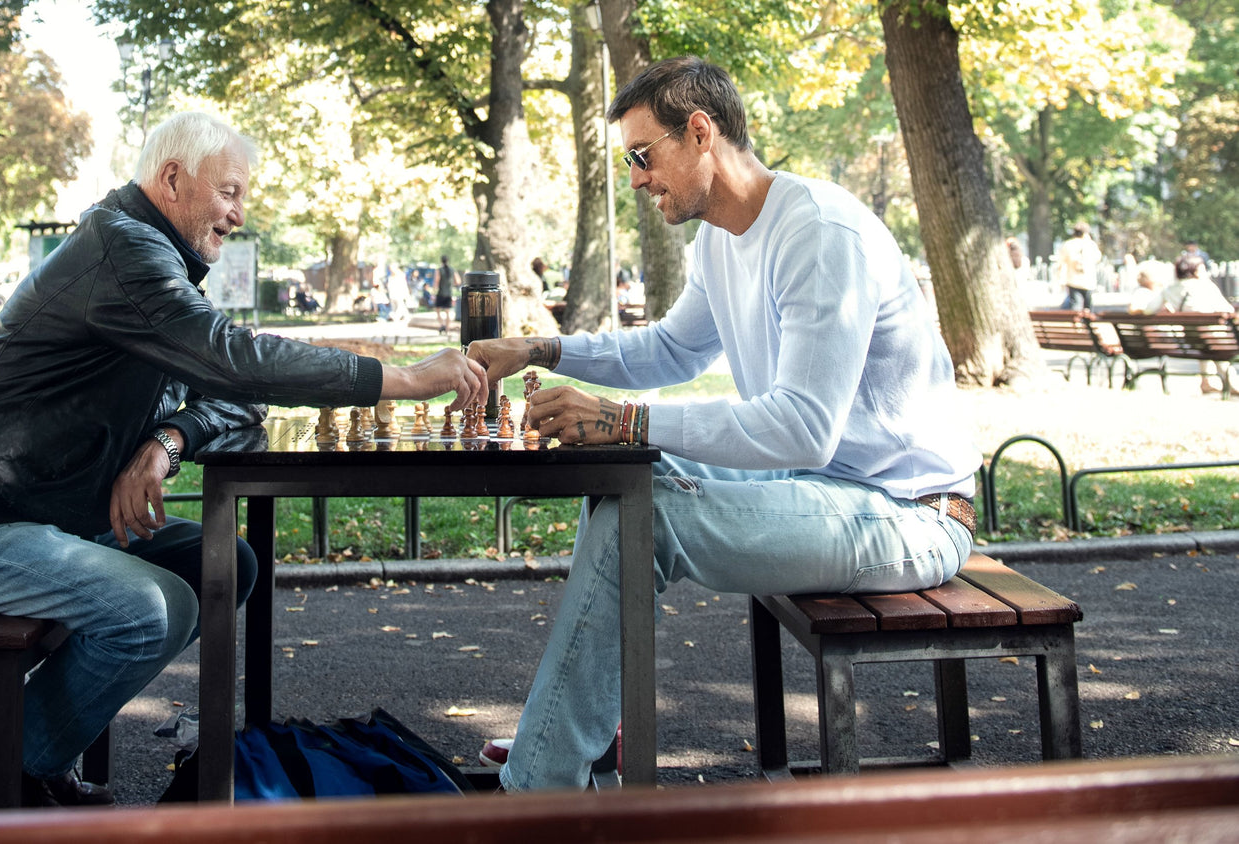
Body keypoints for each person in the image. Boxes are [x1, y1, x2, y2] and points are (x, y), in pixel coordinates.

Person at [0, 112, 486, 810]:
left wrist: (166, 443)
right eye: (228, 191)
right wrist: (399, 377)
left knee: (226, 564)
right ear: (172, 179)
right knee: (146, 609)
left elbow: (234, 399)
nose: (238, 213)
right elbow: (231, 358)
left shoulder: (154, 262)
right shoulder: (124, 253)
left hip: (41, 518)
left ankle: (25, 741)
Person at [467, 56, 980, 792]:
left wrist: (622, 420)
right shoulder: (719, 236)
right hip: (826, 489)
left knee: (648, 517)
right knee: (628, 486)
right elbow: (671, 348)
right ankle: (577, 746)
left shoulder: (821, 233)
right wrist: (541, 349)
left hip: (910, 514)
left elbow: (803, 429)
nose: (637, 179)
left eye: (643, 157)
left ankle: (539, 790)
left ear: (700, 133)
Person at [1162, 252, 1234, 394]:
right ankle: (1231, 383)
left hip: (1191, 339)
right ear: (1195, 270)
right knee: (1213, 338)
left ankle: (1207, 381)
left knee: (1204, 338)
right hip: (1218, 339)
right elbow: (1228, 310)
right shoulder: (1205, 286)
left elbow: (1151, 309)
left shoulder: (1170, 290)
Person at [1056, 222, 1100, 311]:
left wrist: (1061, 279)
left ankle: (1077, 324)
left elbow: (1061, 262)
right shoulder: (1091, 245)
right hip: (1088, 281)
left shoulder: (1068, 245)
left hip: (1073, 280)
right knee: (1088, 308)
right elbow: (1097, 258)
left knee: (1076, 306)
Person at [434, 255, 456, 332]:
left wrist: (434, 291)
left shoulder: (439, 270)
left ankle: (441, 325)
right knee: (447, 312)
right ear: (448, 260)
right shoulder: (452, 270)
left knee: (437, 310)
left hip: (440, 293)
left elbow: (436, 282)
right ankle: (447, 329)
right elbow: (458, 281)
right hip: (449, 293)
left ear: (441, 261)